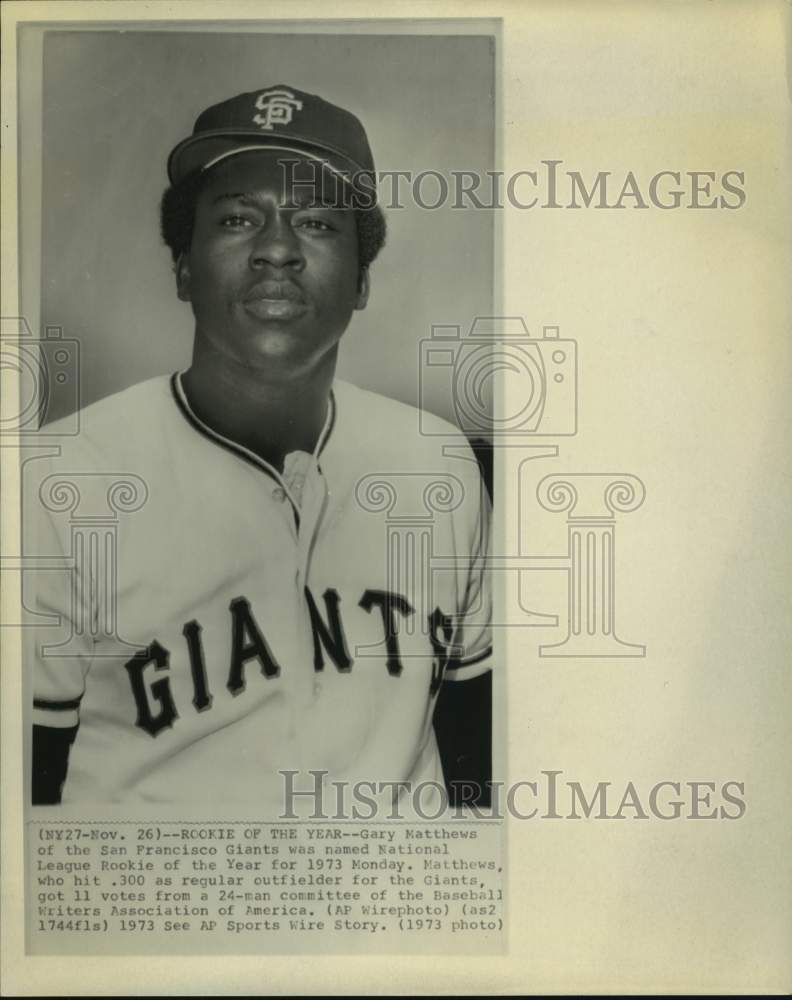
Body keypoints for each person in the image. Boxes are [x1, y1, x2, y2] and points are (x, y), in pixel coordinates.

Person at [29, 85, 491, 809]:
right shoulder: (59, 480)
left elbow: (479, 749)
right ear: (182, 267)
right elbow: (25, 788)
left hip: (394, 911)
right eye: (239, 219)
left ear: (364, 280)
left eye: (315, 222)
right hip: (160, 907)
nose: (277, 250)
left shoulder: (438, 462)